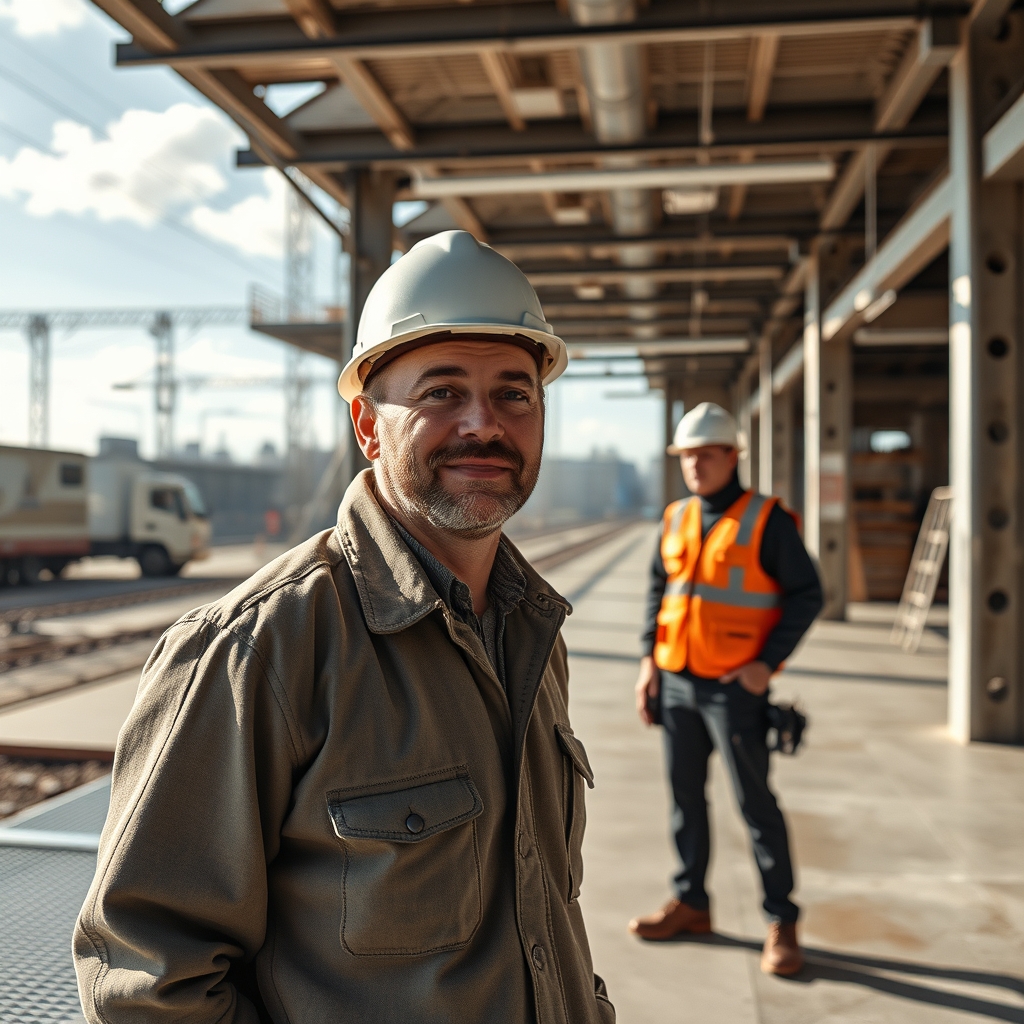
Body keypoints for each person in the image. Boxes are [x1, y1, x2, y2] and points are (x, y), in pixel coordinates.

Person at [74, 230, 614, 1024]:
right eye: (440, 392)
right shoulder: (259, 650)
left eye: (515, 393)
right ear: (368, 426)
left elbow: (541, 912)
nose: (483, 425)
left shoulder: (532, 631)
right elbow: (149, 984)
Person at [629, 402, 822, 976]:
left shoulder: (768, 521)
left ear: (733, 455)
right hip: (678, 682)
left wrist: (766, 664)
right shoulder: (676, 518)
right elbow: (658, 593)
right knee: (686, 802)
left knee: (755, 803)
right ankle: (691, 903)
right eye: (687, 456)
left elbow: (807, 595)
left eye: (707, 454)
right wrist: (649, 664)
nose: (695, 465)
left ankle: (781, 920)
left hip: (734, 690)